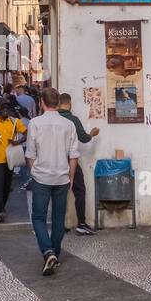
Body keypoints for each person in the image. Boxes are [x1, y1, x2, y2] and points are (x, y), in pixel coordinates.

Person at [26, 87, 80, 276]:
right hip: (62, 177)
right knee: (58, 217)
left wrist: (34, 171)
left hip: (41, 176)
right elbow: (74, 155)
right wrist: (71, 177)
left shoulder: (35, 123)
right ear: (57, 103)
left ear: (42, 102)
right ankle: (54, 252)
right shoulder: (69, 125)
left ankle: (48, 251)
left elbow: (30, 154)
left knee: (39, 217)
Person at [58, 93, 99, 235]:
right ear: (69, 103)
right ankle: (81, 223)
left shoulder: (53, 118)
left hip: (54, 161)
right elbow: (84, 138)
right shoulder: (72, 119)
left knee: (58, 193)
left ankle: (59, 225)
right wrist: (92, 133)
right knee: (80, 190)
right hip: (70, 160)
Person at [0, 100, 26, 223]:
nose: (5, 111)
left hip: (10, 158)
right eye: (3, 109)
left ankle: (2, 206)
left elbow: (27, 133)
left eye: (7, 109)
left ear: (10, 110)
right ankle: (0, 211)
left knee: (7, 186)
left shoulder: (15, 122)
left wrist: (17, 142)